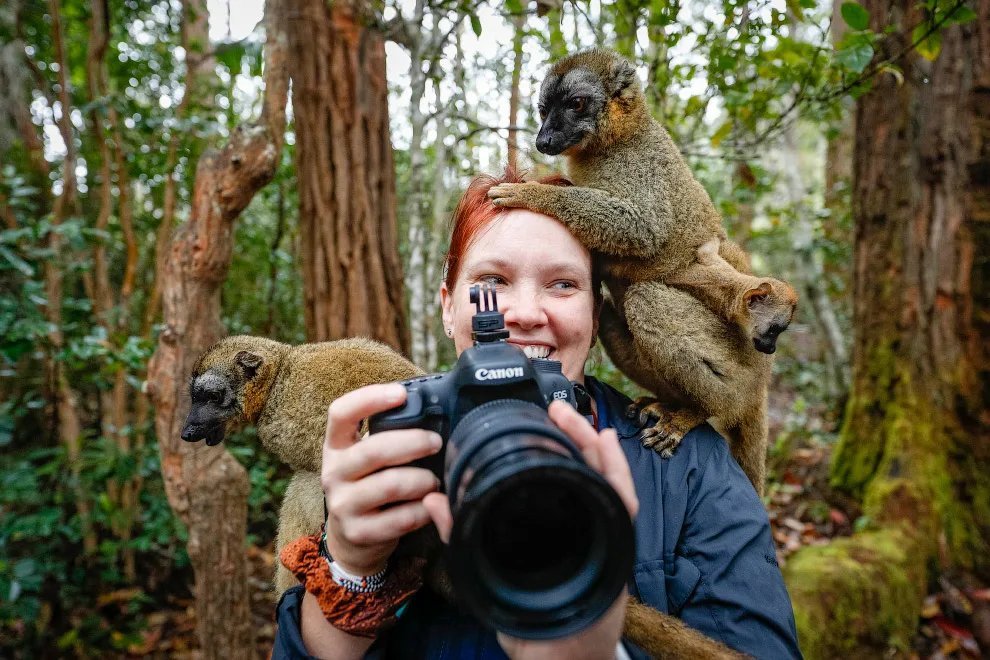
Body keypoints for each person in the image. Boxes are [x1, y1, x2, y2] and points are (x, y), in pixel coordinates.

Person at [273, 169, 802, 659]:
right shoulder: (392, 446)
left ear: (596, 317)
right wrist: (351, 570)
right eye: (492, 282)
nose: (525, 313)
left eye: (563, 284)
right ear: (448, 305)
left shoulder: (687, 466)